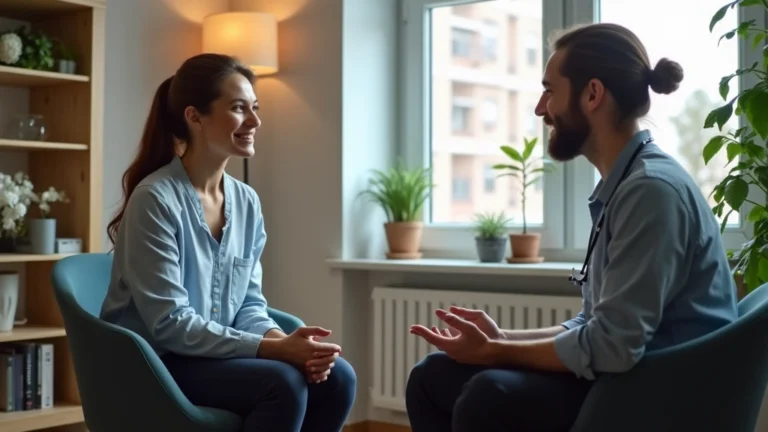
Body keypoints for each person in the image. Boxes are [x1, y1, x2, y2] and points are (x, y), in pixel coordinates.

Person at [405, 22, 739, 432]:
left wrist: (496, 353)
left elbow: (613, 346)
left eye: (549, 90)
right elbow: (596, 325)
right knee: (432, 376)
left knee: (490, 396)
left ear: (593, 94)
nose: (540, 108)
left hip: (663, 394)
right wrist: (503, 339)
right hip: (633, 373)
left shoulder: (650, 191)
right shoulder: (625, 183)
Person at [100, 53, 356, 432]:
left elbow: (249, 305)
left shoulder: (247, 202)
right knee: (281, 384)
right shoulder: (155, 199)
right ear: (194, 116)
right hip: (156, 362)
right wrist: (276, 351)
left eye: (255, 108)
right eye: (239, 108)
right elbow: (170, 325)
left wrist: (285, 342)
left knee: (339, 379)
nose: (254, 121)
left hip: (209, 357)